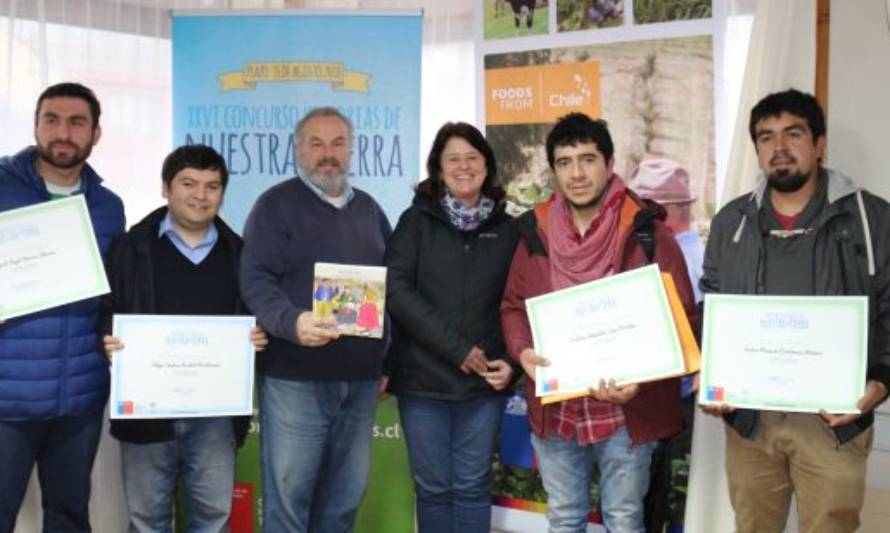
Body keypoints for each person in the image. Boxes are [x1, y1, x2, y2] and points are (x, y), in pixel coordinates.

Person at [700, 88, 890, 533]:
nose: (779, 148)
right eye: (766, 137)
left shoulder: (872, 218)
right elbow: (713, 303)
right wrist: (712, 369)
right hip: (751, 423)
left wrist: (879, 383)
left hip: (833, 423)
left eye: (793, 134)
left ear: (820, 145)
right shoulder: (732, 222)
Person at [500, 112, 696, 533]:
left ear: (608, 165)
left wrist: (642, 378)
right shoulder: (534, 234)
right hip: (558, 409)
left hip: (628, 412)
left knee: (624, 520)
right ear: (554, 171)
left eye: (587, 159)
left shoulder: (647, 234)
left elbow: (682, 317)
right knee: (564, 517)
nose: (576, 173)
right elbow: (514, 306)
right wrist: (523, 352)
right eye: (565, 162)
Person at [99, 145, 267, 532]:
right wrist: (107, 338)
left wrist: (256, 334)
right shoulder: (130, 249)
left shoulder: (241, 254)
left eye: (212, 186)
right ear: (165, 188)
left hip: (214, 417)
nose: (200, 195)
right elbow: (106, 308)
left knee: (213, 518)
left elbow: (256, 313)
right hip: (146, 412)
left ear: (223, 193)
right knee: (147, 520)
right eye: (188, 183)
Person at [239, 107, 391, 532]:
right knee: (290, 503)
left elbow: (390, 288)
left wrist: (386, 359)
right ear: (298, 150)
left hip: (360, 383)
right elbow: (255, 280)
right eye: (317, 143)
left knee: (343, 503)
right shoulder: (275, 206)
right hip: (295, 380)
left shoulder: (371, 211)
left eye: (338, 143)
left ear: (351, 149)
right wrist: (292, 321)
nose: (328, 154)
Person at [0, 82, 125, 532]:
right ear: (35, 125)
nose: (62, 133)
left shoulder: (109, 208)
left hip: (79, 396)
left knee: (70, 515)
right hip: (7, 395)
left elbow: (113, 294)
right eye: (51, 120)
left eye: (76, 122)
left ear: (95, 133)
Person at [384, 122, 520, 533]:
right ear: (438, 169)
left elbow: (520, 303)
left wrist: (512, 361)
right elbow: (395, 289)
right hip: (423, 381)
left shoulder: (510, 229)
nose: (464, 167)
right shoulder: (415, 221)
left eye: (472, 158)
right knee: (434, 489)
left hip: (483, 386)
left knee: (473, 487)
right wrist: (456, 349)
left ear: (487, 166)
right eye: (453, 159)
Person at [628, 158, 703, 531]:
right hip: (676, 397)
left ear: (672, 209)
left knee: (654, 499)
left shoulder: (672, 251)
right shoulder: (701, 253)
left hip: (671, 396)